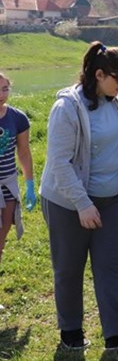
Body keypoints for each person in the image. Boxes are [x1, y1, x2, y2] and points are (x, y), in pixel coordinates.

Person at [41, 41, 118, 349]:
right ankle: (71, 334)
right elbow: (59, 163)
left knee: (111, 264)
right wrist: (82, 204)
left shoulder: (115, 101)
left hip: (110, 199)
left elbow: (111, 142)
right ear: (99, 74)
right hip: (68, 202)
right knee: (69, 268)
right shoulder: (66, 108)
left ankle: (117, 334)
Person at [0, 73, 36, 266]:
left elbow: (23, 153)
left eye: (5, 88)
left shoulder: (18, 118)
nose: (1, 94)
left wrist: (29, 184)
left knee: (2, 236)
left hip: (8, 186)